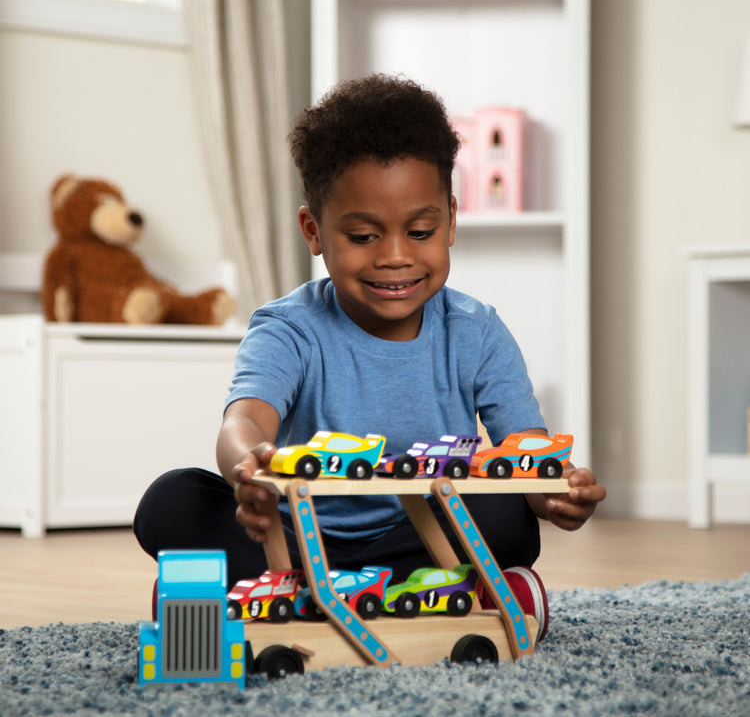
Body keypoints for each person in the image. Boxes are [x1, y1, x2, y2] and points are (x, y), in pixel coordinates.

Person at [134, 74, 606, 641]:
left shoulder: (476, 332)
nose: (396, 257)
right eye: (363, 237)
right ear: (315, 231)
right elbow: (245, 418)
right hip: (292, 537)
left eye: (421, 230)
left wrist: (555, 490)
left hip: (417, 532)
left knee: (509, 519)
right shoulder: (289, 328)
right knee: (172, 501)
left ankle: (296, 595)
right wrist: (249, 467)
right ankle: (439, 590)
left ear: (451, 221)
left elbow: (522, 449)